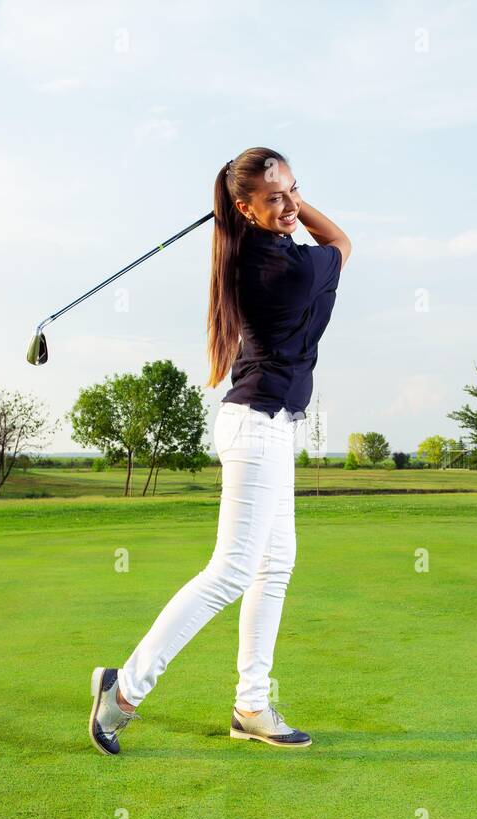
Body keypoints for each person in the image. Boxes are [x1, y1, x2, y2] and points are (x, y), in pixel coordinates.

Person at [89, 147, 350, 755]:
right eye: (274, 198)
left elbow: (309, 234)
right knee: (231, 570)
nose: (288, 205)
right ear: (243, 207)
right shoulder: (280, 270)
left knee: (276, 563)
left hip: (272, 423)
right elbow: (341, 241)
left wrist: (268, 207)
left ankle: (252, 706)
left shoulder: (257, 248)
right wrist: (294, 210)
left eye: (293, 191)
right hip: (257, 427)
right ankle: (123, 690)